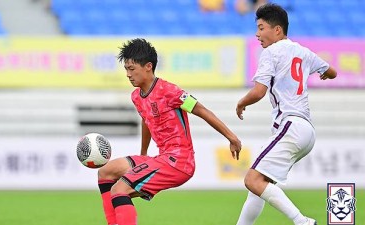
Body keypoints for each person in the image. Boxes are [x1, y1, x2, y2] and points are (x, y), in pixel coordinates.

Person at [97, 38, 242, 225]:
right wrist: (143, 155)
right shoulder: (136, 96)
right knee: (106, 172)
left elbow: (202, 110)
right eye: (126, 69)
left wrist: (231, 137)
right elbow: (146, 121)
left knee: (119, 190)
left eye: (131, 69)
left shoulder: (170, 91)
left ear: (148, 66)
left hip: (179, 161)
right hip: (162, 158)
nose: (128, 74)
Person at [235, 3, 337, 225]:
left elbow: (259, 91)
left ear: (277, 30)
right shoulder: (303, 51)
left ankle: (303, 222)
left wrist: (241, 103)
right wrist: (325, 75)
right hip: (306, 130)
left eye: (261, 28)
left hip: (291, 125)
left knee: (251, 180)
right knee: (259, 184)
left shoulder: (271, 52)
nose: (257, 33)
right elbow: (332, 71)